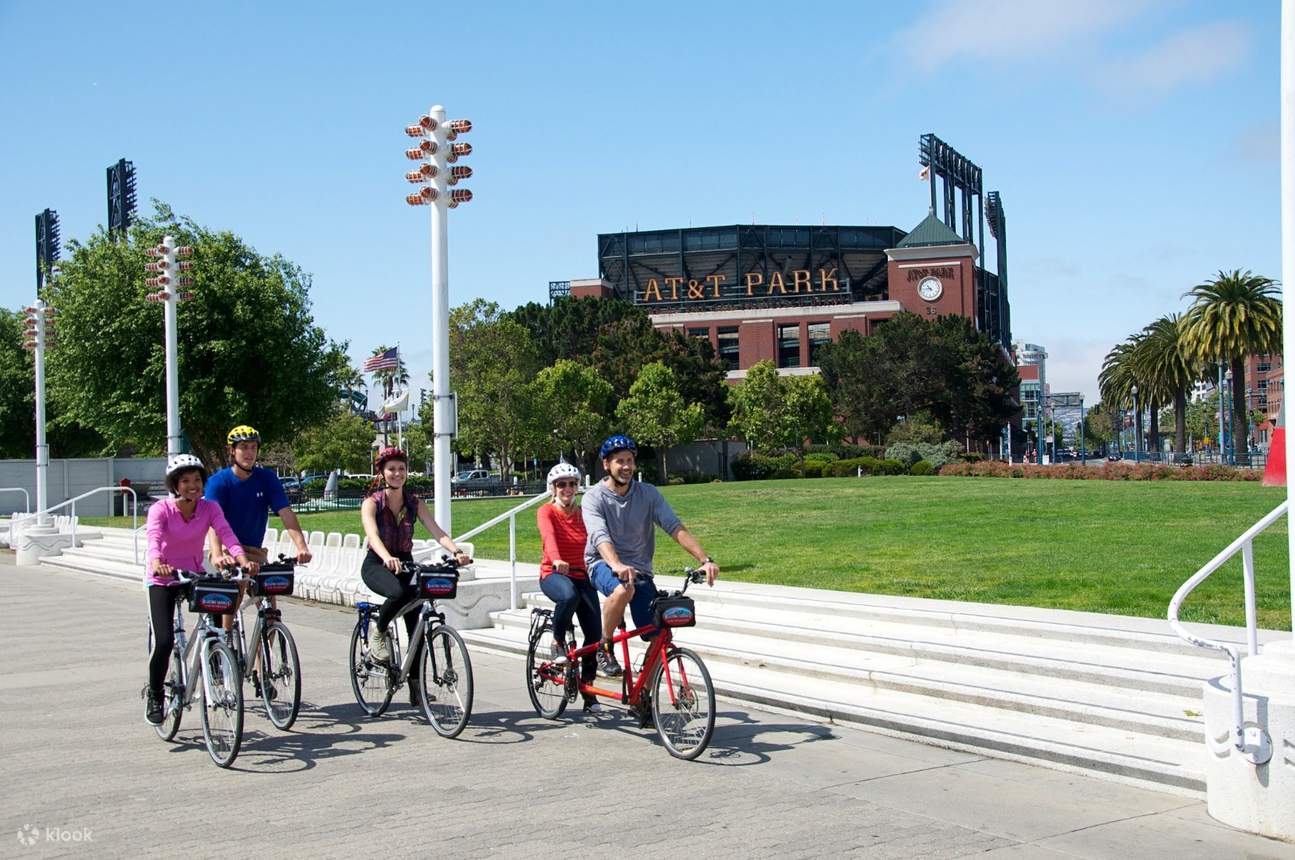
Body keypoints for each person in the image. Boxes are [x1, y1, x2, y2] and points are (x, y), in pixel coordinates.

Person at [583, 434, 719, 679]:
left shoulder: (648, 493)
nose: (626, 466)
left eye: (630, 460)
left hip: (640, 571)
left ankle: (644, 694)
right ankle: (605, 645)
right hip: (602, 564)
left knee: (660, 634)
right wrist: (616, 564)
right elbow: (599, 536)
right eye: (619, 461)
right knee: (623, 590)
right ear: (606, 464)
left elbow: (673, 525)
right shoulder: (594, 497)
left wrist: (704, 559)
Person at [143, 454, 258, 725]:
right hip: (163, 578)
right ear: (175, 485)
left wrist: (243, 560)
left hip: (193, 574)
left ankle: (215, 659)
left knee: (217, 612)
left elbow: (227, 534)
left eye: (196, 480)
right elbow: (154, 538)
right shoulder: (161, 509)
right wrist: (157, 563)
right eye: (185, 481)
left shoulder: (209, 508)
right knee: (164, 641)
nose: (192, 485)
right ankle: (155, 694)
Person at [204, 425, 313, 693]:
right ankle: (226, 647)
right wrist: (217, 553)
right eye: (243, 447)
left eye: (253, 448)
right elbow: (213, 521)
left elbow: (285, 512)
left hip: (254, 551)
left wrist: (301, 546)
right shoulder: (219, 481)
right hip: (228, 550)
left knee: (270, 609)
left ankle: (260, 669)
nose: (249, 453)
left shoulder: (266, 478)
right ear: (232, 451)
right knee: (235, 592)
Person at [360, 447, 471, 705]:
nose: (397, 473)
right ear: (382, 473)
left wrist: (456, 551)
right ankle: (378, 632)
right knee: (397, 592)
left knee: (417, 623)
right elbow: (372, 535)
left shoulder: (414, 503)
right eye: (391, 469)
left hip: (405, 563)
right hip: (377, 563)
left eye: (401, 469)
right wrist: (386, 556)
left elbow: (436, 531)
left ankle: (415, 686)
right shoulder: (372, 503)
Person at [536, 461, 602, 712]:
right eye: (561, 484)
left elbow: (598, 539)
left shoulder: (584, 513)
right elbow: (549, 537)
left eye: (572, 484)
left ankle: (588, 688)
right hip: (554, 574)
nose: (567, 488)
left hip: (582, 575)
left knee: (595, 635)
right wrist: (556, 559)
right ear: (553, 488)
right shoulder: (546, 511)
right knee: (569, 596)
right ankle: (557, 640)